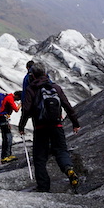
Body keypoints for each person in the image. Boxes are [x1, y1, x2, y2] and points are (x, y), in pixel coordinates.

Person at [18, 64, 82, 193]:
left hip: (40, 127)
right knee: (61, 151)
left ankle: (43, 186)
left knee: (40, 157)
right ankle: (68, 169)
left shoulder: (32, 89)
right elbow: (67, 105)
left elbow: (26, 109)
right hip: (56, 125)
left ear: (33, 75)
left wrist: (22, 126)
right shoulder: (55, 88)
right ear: (46, 74)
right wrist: (75, 123)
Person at [0, 90, 21, 162]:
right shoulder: (10, 98)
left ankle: (6, 155)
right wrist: (20, 104)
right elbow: (16, 109)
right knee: (8, 137)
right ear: (17, 96)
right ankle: (6, 156)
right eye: (19, 98)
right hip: (3, 119)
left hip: (3, 118)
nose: (18, 100)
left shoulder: (8, 97)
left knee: (7, 137)